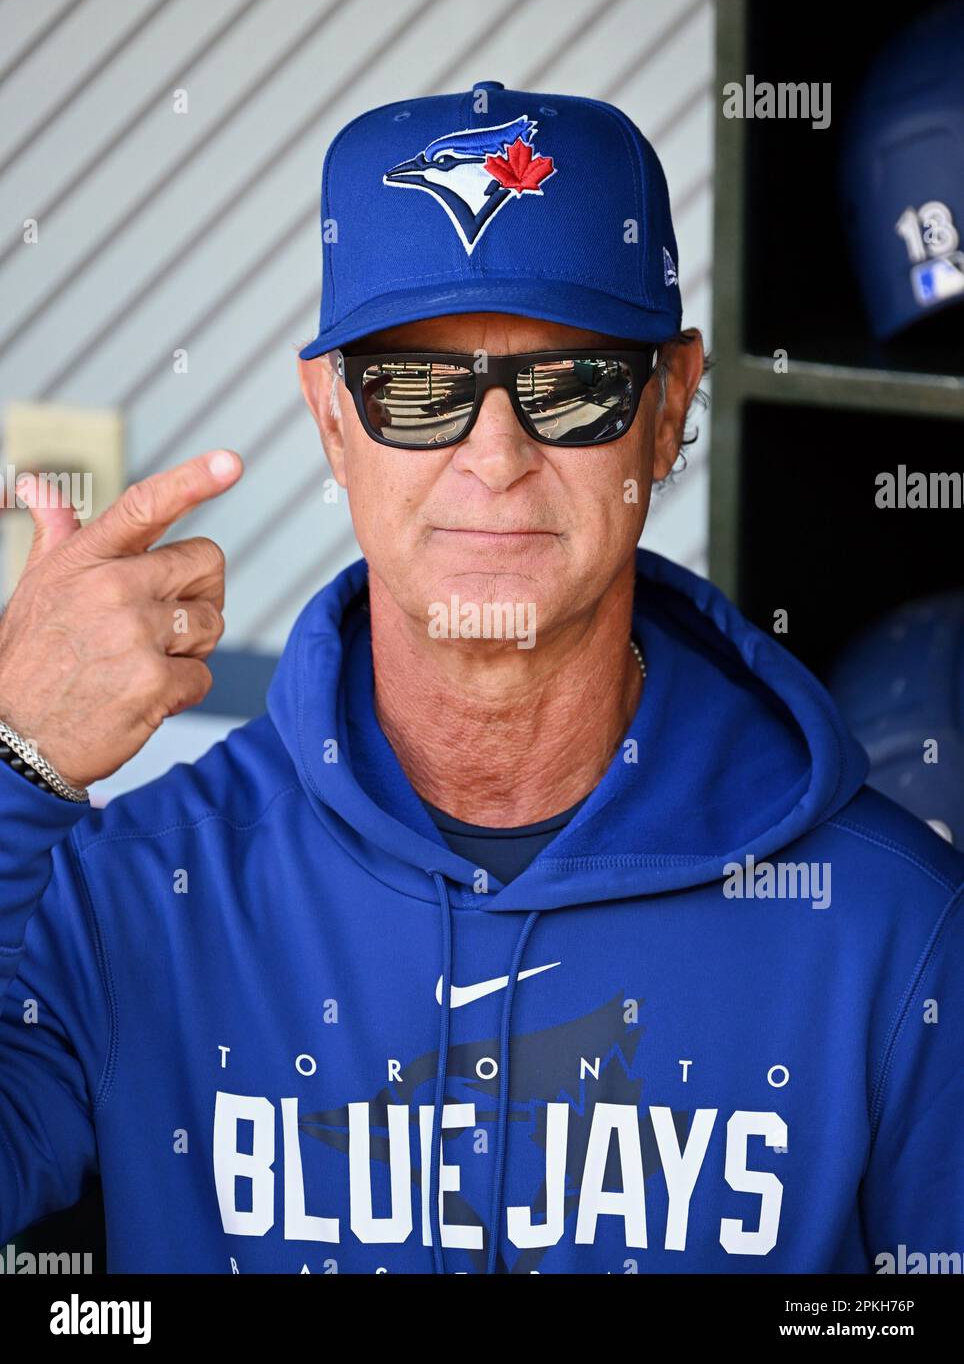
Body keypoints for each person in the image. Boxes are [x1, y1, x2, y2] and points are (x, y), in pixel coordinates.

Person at [0, 83, 961, 1276]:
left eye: (572, 386)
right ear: (332, 420)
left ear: (667, 407)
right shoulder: (131, 891)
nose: (495, 457)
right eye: (416, 390)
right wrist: (14, 759)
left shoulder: (895, 928)